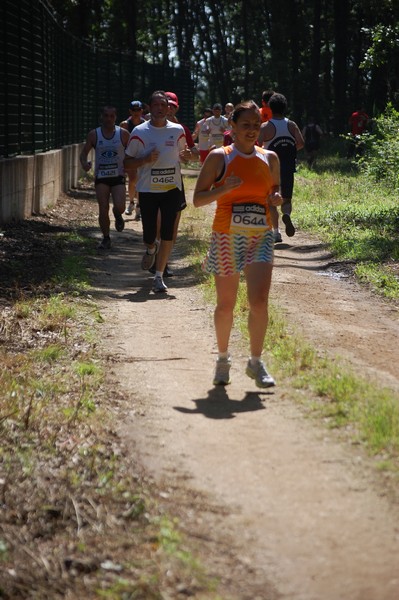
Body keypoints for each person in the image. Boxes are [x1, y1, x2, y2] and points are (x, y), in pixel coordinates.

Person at [193, 100, 283, 388]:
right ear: (232, 127)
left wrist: (276, 199)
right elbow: (198, 199)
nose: (252, 130)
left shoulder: (270, 158)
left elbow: (274, 192)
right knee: (226, 304)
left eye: (256, 125)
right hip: (226, 236)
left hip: (260, 236)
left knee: (258, 301)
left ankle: (256, 362)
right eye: (245, 125)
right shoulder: (220, 158)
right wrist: (224, 188)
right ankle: (222, 359)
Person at [124, 90, 193, 293]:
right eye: (156, 105)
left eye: (164, 105)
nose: (161, 109)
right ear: (149, 108)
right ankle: (150, 248)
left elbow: (185, 155)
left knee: (168, 233)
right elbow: (127, 162)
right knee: (149, 234)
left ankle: (159, 276)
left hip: (171, 188)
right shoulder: (139, 132)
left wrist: (188, 155)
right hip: (147, 190)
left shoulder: (177, 130)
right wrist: (144, 159)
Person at [80, 105, 130, 250]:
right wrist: (84, 163)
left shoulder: (123, 134)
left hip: (118, 175)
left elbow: (133, 151)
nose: (109, 119)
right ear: (101, 117)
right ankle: (106, 238)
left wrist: (131, 164)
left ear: (116, 117)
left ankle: (117, 214)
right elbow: (83, 153)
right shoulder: (94, 135)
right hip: (101, 176)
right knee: (103, 207)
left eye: (111, 116)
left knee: (120, 206)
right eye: (106, 116)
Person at [258, 93, 304, 243]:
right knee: (286, 198)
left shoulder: (265, 127)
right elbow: (301, 143)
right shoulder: (292, 125)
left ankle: (276, 232)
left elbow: (256, 146)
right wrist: (290, 150)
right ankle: (287, 215)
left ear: (270, 108)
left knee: (271, 200)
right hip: (288, 167)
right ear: (285, 107)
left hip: (271, 169)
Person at [119, 100, 145, 219]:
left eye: (138, 110)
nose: (136, 112)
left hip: (142, 155)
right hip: (130, 156)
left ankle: (139, 206)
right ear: (130, 111)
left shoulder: (146, 124)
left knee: (140, 181)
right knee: (133, 180)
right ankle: (131, 203)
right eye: (134, 110)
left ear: (142, 111)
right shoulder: (125, 124)